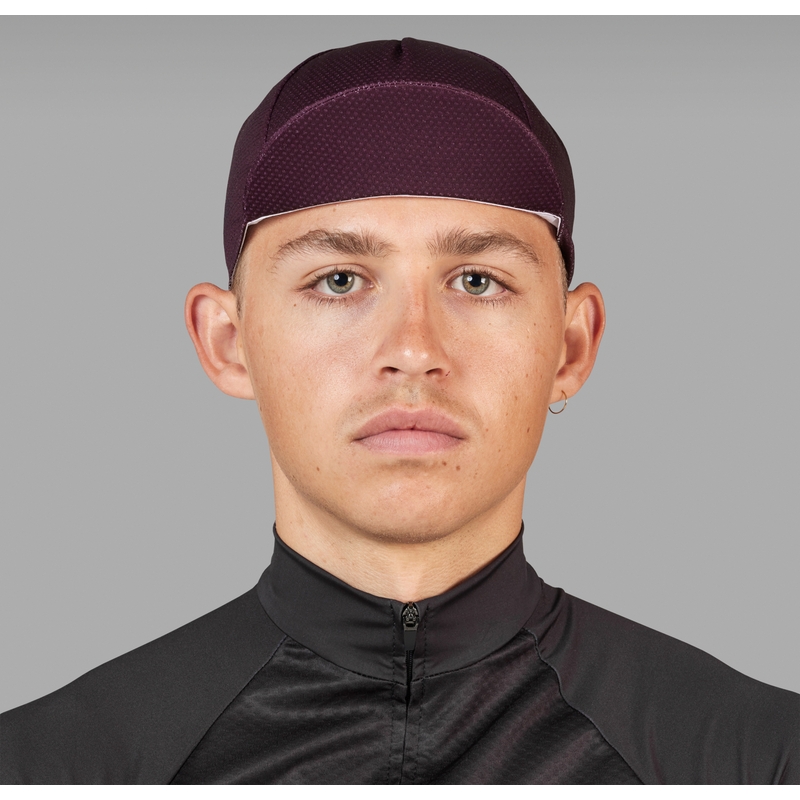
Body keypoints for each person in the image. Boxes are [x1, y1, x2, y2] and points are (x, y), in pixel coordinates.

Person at [1, 37, 797, 786]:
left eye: (478, 281)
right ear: (229, 342)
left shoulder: (755, 760)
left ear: (570, 345)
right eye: (339, 280)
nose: (414, 350)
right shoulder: (49, 768)